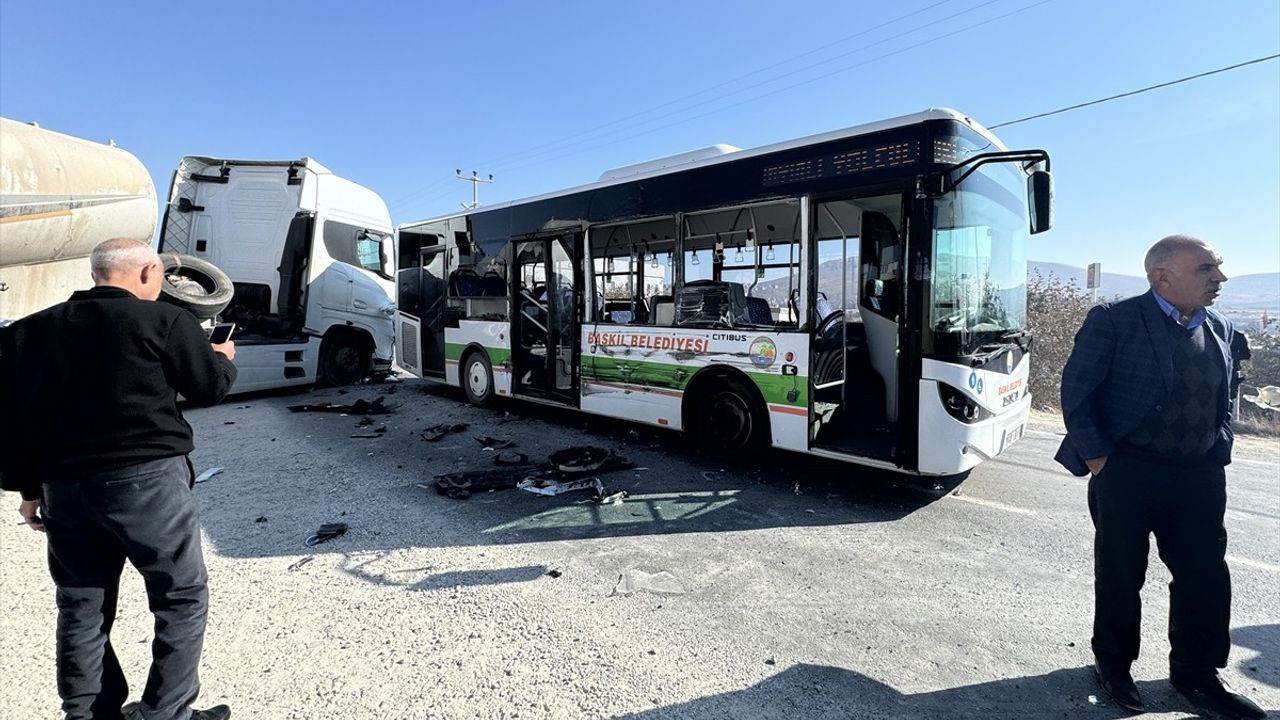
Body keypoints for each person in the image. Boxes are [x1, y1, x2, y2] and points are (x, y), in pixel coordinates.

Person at [0, 238, 237, 720]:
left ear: (96, 274)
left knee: (82, 605)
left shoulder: (24, 334)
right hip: (148, 484)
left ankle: (88, 715)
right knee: (179, 597)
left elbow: (12, 421)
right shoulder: (166, 321)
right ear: (149, 273)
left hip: (64, 488)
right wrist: (223, 359)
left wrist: (28, 491)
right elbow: (208, 388)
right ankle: (166, 714)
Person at [1055, 235, 1265, 719]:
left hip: (1198, 476)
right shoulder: (1115, 321)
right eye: (1206, 269)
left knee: (1205, 576)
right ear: (1162, 277)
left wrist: (1219, 450)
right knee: (1121, 573)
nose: (1220, 279)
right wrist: (1100, 460)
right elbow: (1078, 393)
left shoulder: (1223, 328)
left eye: (1219, 268)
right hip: (1127, 470)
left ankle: (1197, 673)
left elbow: (1225, 396)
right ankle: (1114, 666)